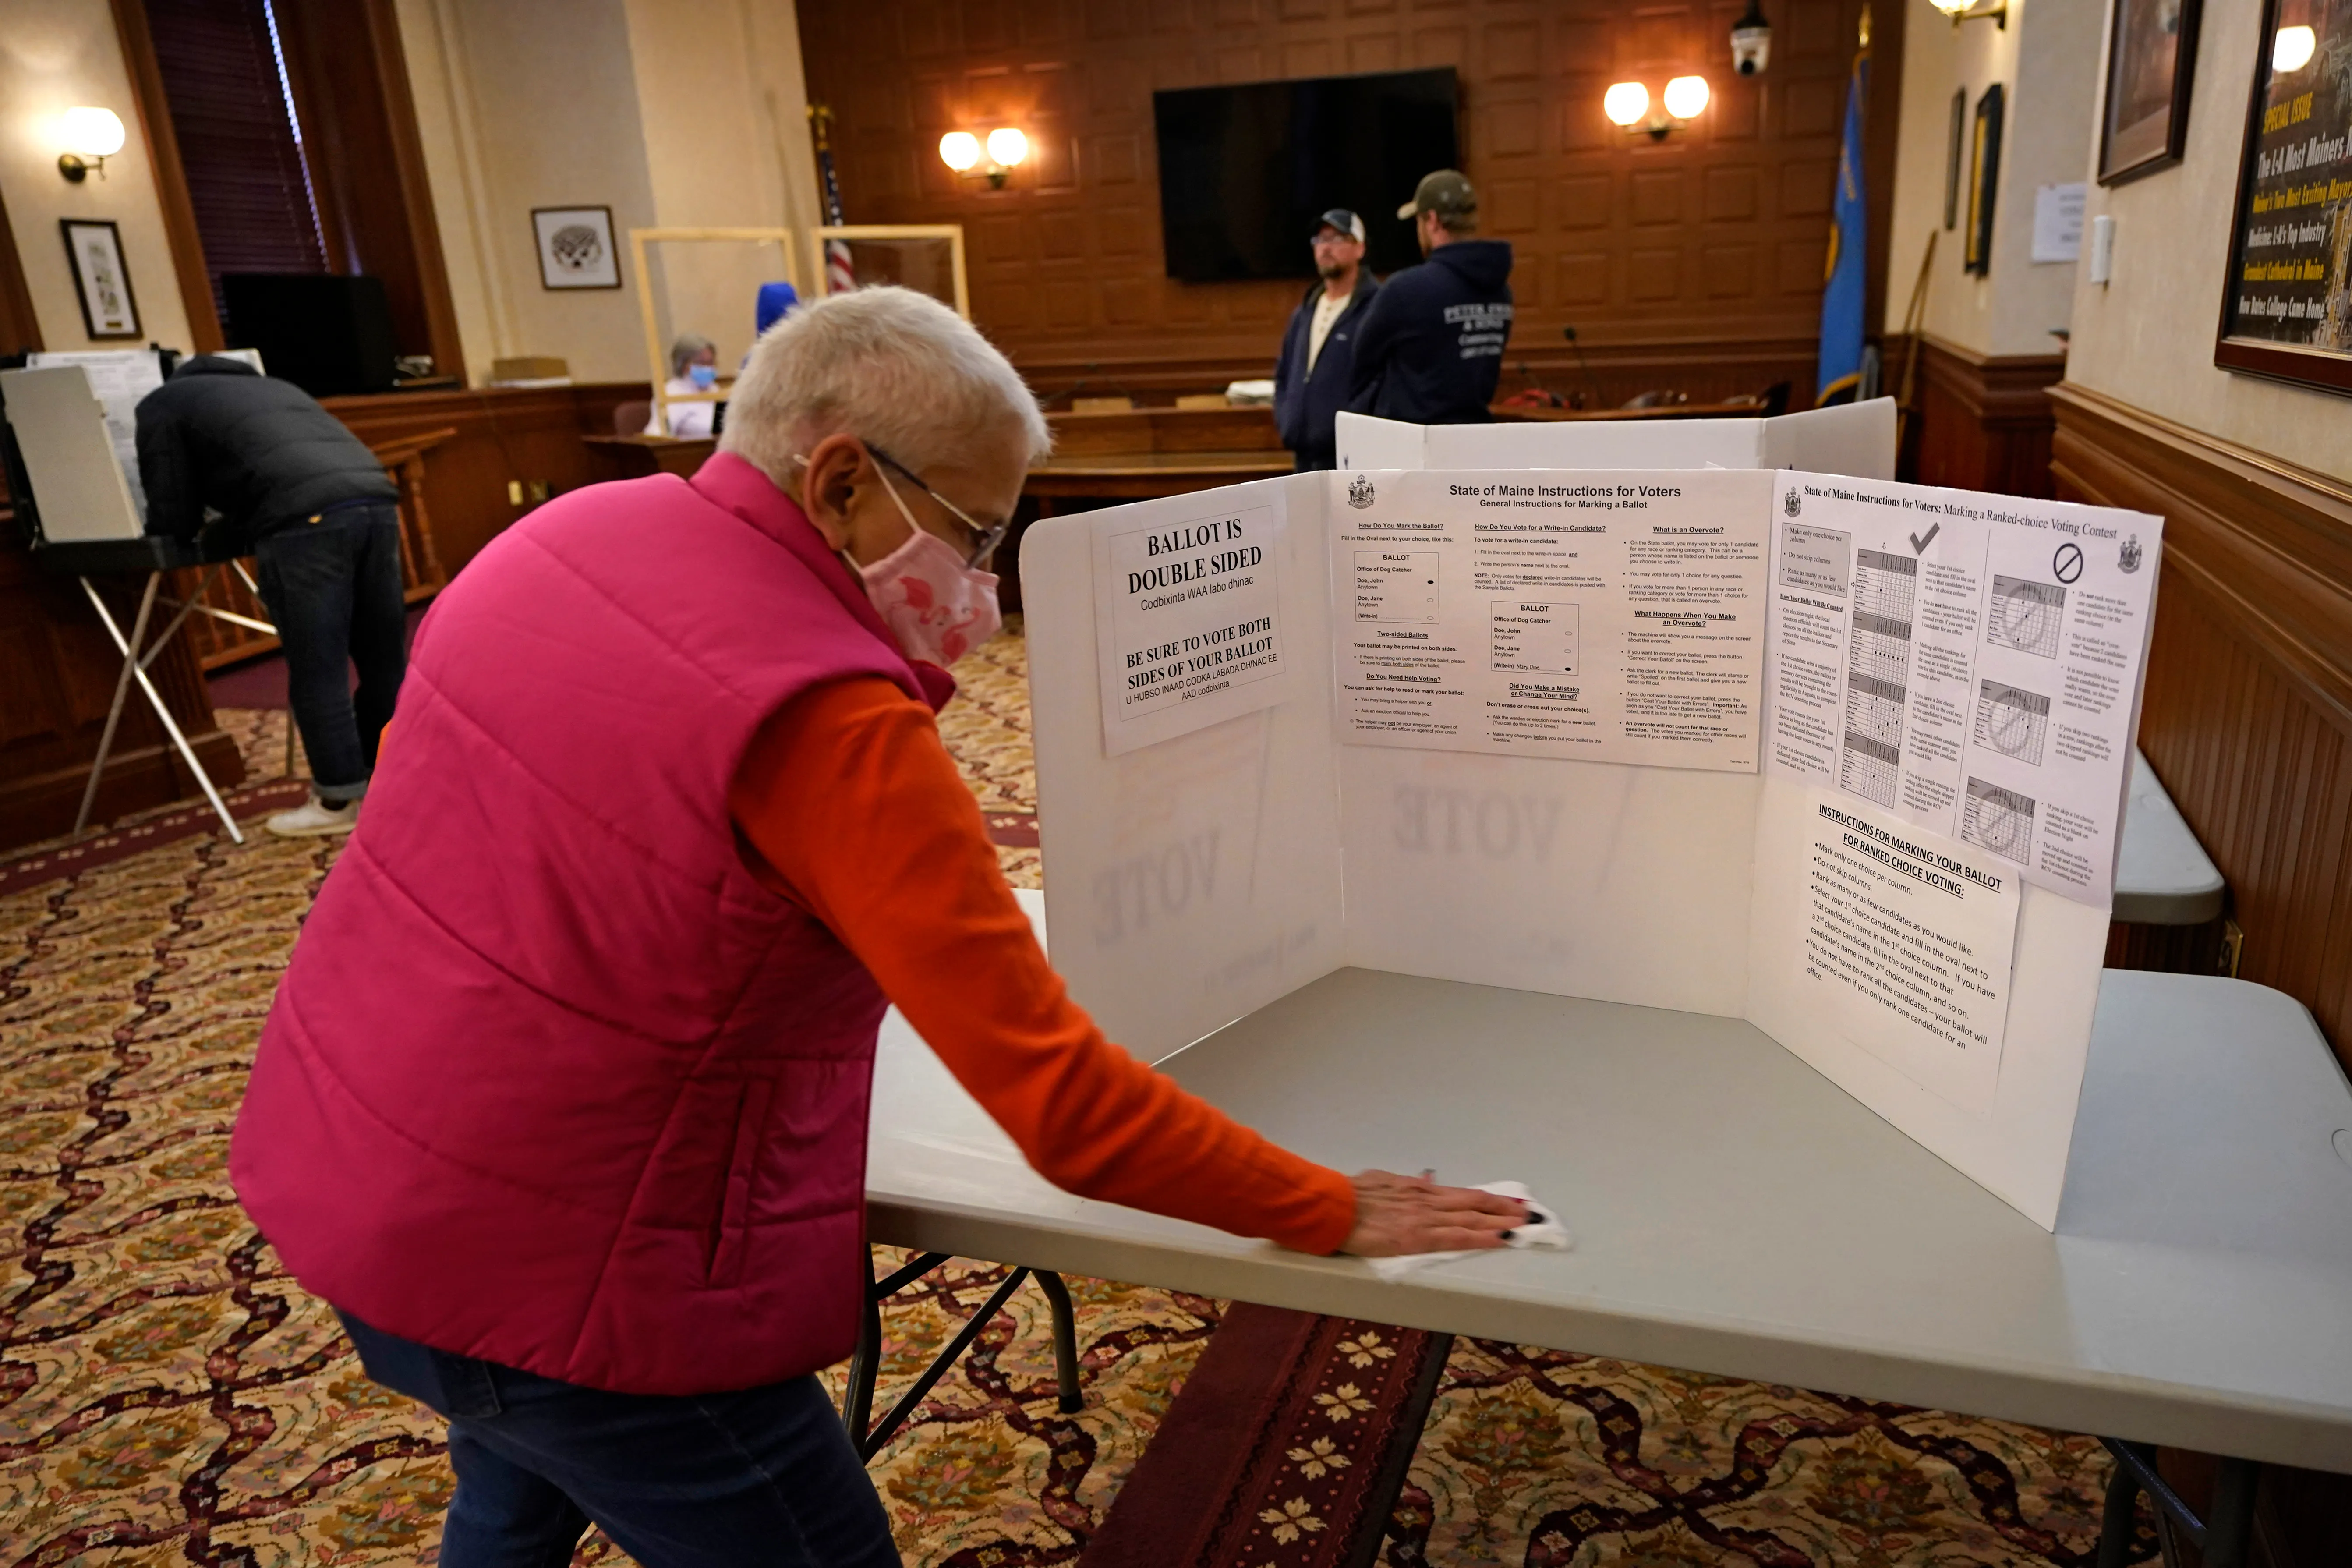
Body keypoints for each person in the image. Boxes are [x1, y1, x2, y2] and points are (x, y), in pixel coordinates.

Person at [227, 287, 1524, 1568]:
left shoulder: (554, 534)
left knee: (508, 1497)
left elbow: (444, 798)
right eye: (972, 530)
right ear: (841, 479)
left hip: (368, 1181)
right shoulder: (836, 723)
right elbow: (1062, 1109)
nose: (974, 582)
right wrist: (1329, 1206)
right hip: (576, 1268)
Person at [135, 355, 402, 838]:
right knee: (382, 659)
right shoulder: (278, 387)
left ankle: (339, 797)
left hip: (304, 524)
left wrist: (168, 532)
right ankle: (396, 778)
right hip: (376, 504)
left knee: (318, 666)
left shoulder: (164, 401)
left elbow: (171, 507)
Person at [1345, 169, 1516, 425]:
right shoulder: (1501, 293)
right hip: (1474, 439)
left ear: (1433, 221)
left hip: (1413, 445)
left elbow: (1360, 368)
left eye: (1419, 221)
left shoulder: (1405, 290)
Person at [1273, 208, 1381, 471]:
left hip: (1353, 459)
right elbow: (1285, 374)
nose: (1325, 248)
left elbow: (1380, 381)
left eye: (1337, 239)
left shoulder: (1375, 309)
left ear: (1360, 248)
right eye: (1320, 240)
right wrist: (1287, 420)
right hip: (1303, 457)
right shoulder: (1305, 311)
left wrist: (1349, 426)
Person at [650, 333, 721, 436]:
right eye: (700, 363)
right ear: (682, 364)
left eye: (710, 363)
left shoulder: (714, 390)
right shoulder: (672, 394)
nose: (707, 368)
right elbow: (658, 434)